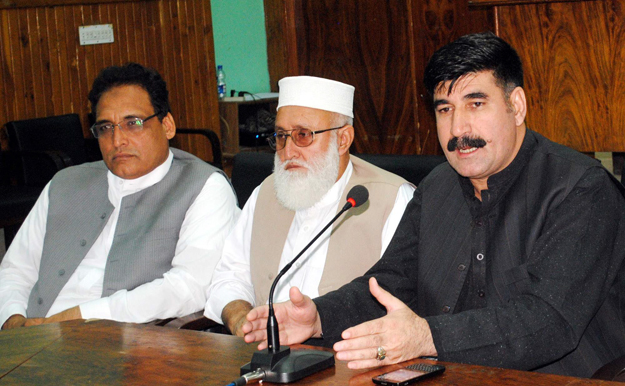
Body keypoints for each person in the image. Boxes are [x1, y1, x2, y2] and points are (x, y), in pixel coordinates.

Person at [241, 32, 625, 378]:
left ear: (517, 105)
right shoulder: (438, 187)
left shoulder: (581, 189)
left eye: (476, 104)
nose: (458, 129)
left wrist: (427, 337)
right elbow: (390, 284)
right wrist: (319, 316)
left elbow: (549, 321)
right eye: (445, 110)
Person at [0, 63, 239, 330]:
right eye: (105, 128)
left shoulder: (203, 186)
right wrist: (12, 319)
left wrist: (79, 317)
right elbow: (15, 269)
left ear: (167, 125)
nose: (117, 140)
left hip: (124, 351)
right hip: (30, 338)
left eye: (132, 123)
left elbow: (189, 286)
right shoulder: (64, 183)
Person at [204, 76, 414, 336]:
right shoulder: (266, 193)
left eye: (303, 135)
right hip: (264, 354)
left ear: (343, 139)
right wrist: (243, 321)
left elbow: (403, 301)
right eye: (281, 136)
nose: (288, 151)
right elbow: (231, 275)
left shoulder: (392, 199)